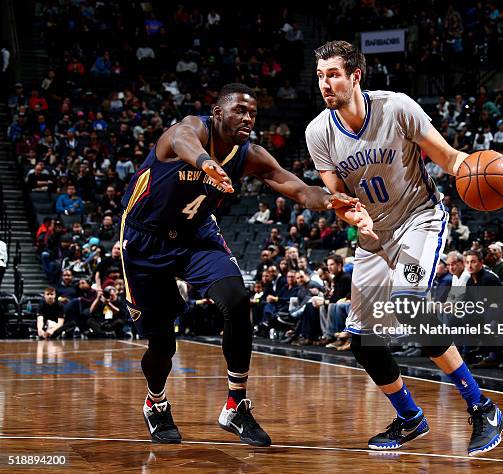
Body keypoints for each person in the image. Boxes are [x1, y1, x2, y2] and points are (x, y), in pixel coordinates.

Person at [120, 83, 371, 446]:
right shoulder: (188, 129)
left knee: (237, 300)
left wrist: (332, 201)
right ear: (219, 113)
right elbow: (183, 142)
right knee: (162, 344)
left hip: (197, 236)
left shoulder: (249, 154)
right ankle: (156, 403)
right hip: (145, 238)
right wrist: (206, 163)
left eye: (252, 113)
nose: (248, 118)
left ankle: (236, 405)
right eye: (240, 110)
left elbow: (299, 189)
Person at [305, 41, 503, 456]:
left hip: (418, 218)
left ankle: (482, 407)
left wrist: (484, 167)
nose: (326, 84)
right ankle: (409, 417)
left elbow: (450, 158)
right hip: (372, 236)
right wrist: (352, 216)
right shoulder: (318, 132)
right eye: (320, 76)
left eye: (333, 74)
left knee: (409, 305)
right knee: (363, 341)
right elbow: (338, 197)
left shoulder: (397, 107)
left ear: (355, 76)